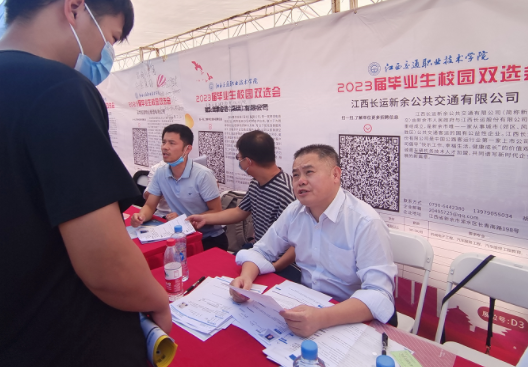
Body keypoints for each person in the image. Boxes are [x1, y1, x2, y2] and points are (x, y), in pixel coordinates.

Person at [0, 0, 170, 366]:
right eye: (110, 37)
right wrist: (156, 299)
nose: (105, 52)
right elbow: (105, 264)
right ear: (75, 8)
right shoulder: (57, 87)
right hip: (69, 342)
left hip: (7, 337)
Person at [230, 144, 397, 337]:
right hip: (308, 301)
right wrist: (246, 278)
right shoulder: (294, 211)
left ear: (335, 175)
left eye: (309, 172)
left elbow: (378, 292)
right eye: (295, 175)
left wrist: (322, 317)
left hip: (348, 313)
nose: (300, 181)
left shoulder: (365, 222)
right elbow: (262, 250)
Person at [187, 130, 297, 273]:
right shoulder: (256, 183)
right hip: (260, 252)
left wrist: (273, 267)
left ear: (248, 161)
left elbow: (296, 245)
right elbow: (239, 212)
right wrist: (205, 218)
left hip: (281, 262)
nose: (239, 162)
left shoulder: (286, 192)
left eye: (239, 158)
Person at [131, 124, 228, 250]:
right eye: (164, 142)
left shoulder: (203, 175)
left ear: (187, 149)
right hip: (180, 236)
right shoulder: (160, 172)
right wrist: (140, 217)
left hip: (207, 239)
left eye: (172, 143)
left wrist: (185, 221)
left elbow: (216, 212)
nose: (165, 147)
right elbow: (150, 206)